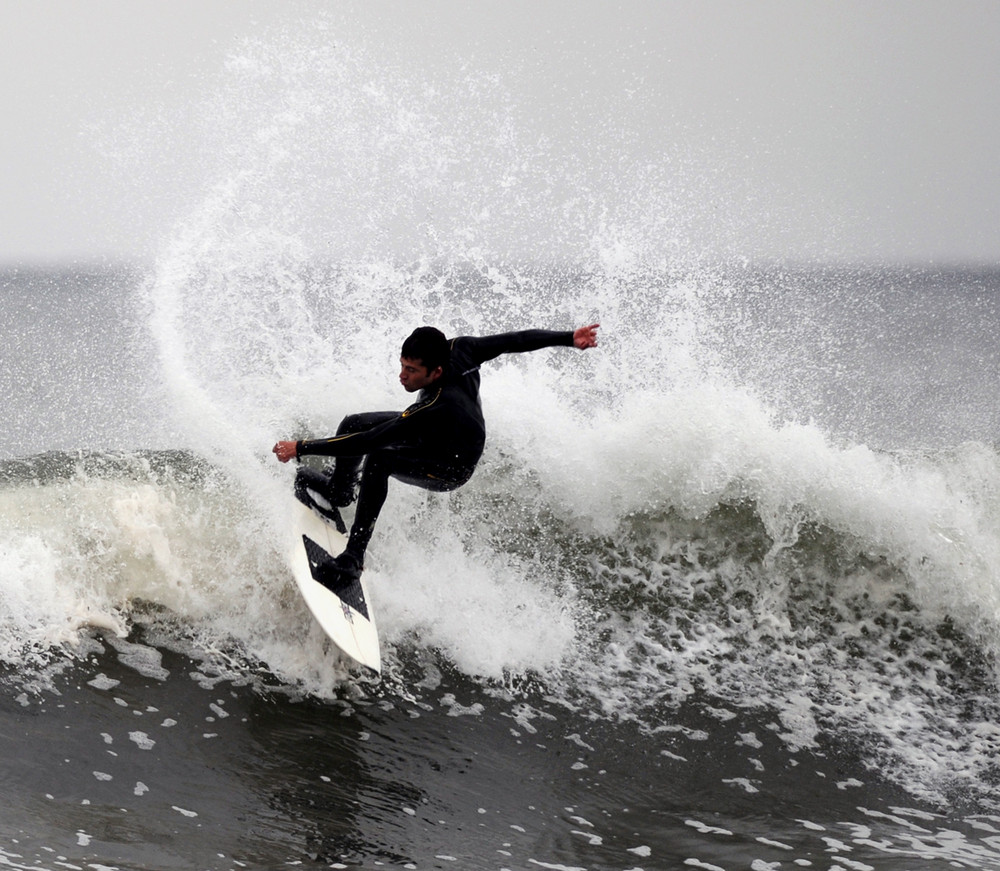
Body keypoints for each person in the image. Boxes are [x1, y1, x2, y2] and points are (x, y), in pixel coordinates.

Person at [273, 322, 600, 588]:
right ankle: (339, 491)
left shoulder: (437, 406)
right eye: (402, 365)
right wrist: (568, 338)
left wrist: (301, 447)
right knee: (352, 422)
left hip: (448, 465)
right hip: (430, 431)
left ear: (437, 372)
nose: (403, 375)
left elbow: (371, 440)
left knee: (379, 458)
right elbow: (514, 340)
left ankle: (354, 557)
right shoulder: (462, 348)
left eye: (412, 370)